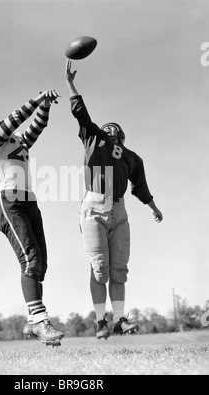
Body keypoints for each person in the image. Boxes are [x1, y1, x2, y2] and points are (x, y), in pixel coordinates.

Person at [65, 60, 163, 339]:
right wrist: (71, 84)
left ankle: (119, 318)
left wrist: (153, 207)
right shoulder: (93, 139)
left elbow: (140, 186)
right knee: (100, 269)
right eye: (105, 128)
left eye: (113, 128)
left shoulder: (132, 157)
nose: (108, 129)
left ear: (121, 135)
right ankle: (100, 321)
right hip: (94, 207)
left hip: (119, 210)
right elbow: (81, 114)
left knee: (119, 270)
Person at [0, 90, 64, 347]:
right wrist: (36, 99)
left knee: (40, 264)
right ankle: (40, 319)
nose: (2, 128)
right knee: (31, 259)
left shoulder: (18, 143)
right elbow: (12, 121)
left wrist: (45, 106)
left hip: (29, 202)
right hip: (9, 203)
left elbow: (38, 125)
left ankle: (33, 319)